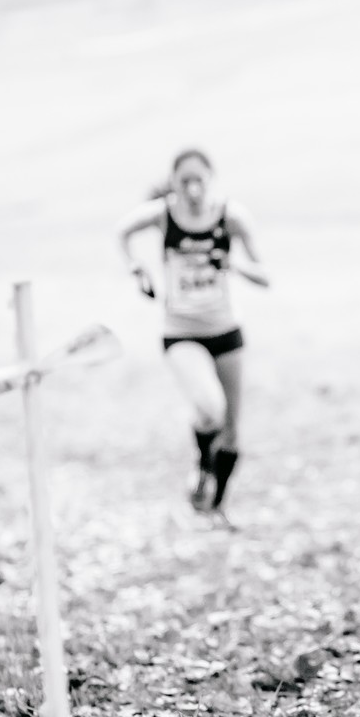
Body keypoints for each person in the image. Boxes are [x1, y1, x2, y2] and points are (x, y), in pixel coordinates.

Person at [116, 150, 270, 512]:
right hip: (181, 331)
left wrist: (234, 265)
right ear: (174, 183)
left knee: (232, 428)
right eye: (184, 181)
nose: (193, 188)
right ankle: (203, 462)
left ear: (210, 179)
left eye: (199, 179)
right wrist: (136, 269)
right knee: (210, 407)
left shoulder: (231, 217)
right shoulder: (163, 215)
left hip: (226, 330)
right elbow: (121, 232)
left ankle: (216, 505)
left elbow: (266, 276)